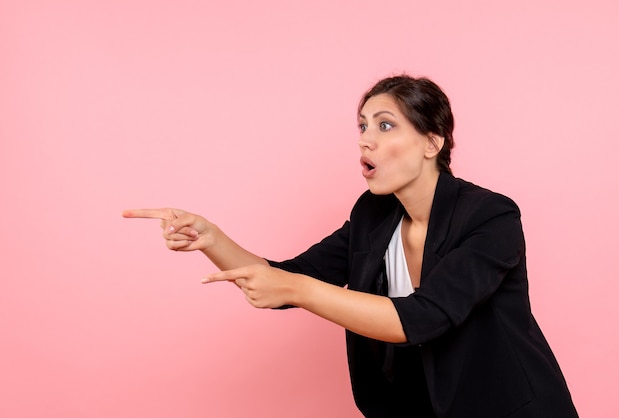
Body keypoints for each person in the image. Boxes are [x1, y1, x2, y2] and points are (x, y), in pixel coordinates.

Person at [123, 75, 578, 417]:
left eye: (384, 125)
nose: (365, 139)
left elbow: (422, 318)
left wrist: (297, 291)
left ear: (432, 142)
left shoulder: (491, 216)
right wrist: (212, 239)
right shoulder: (372, 215)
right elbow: (289, 274)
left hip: (510, 407)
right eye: (362, 126)